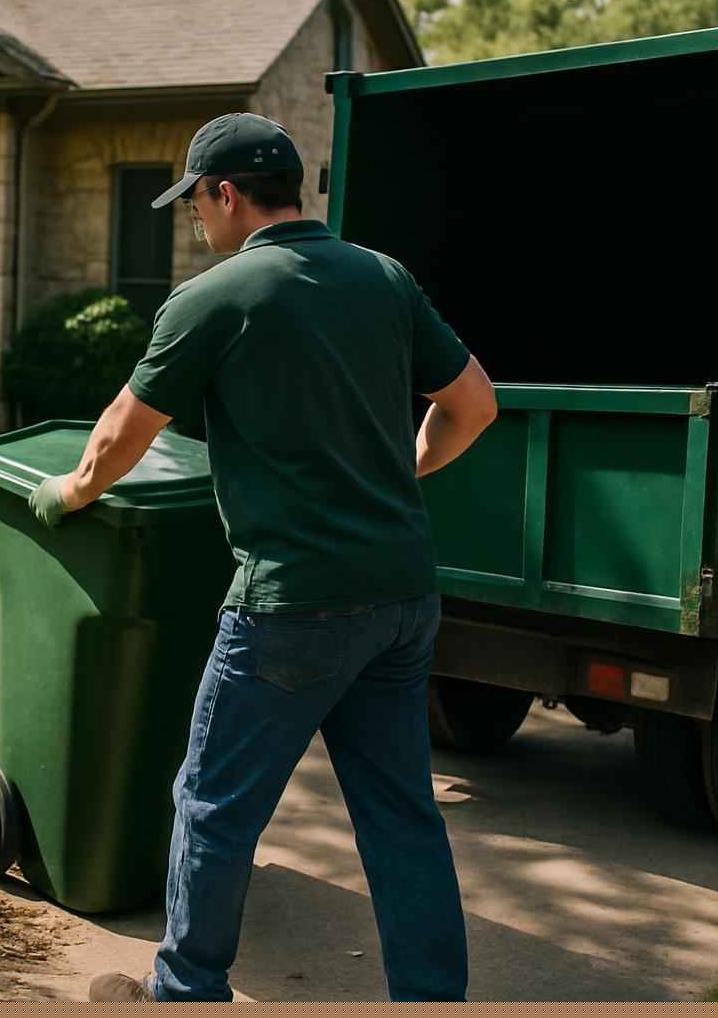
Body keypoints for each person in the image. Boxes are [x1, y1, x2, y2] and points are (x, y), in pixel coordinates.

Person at [26, 112, 498, 1002]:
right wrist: (404, 467)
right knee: (402, 820)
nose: (198, 222)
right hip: (401, 597)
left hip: (289, 608)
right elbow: (473, 403)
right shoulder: (384, 279)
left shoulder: (217, 297)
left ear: (226, 194)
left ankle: (185, 991)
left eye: (196, 203)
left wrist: (69, 493)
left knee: (212, 805)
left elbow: (120, 438)